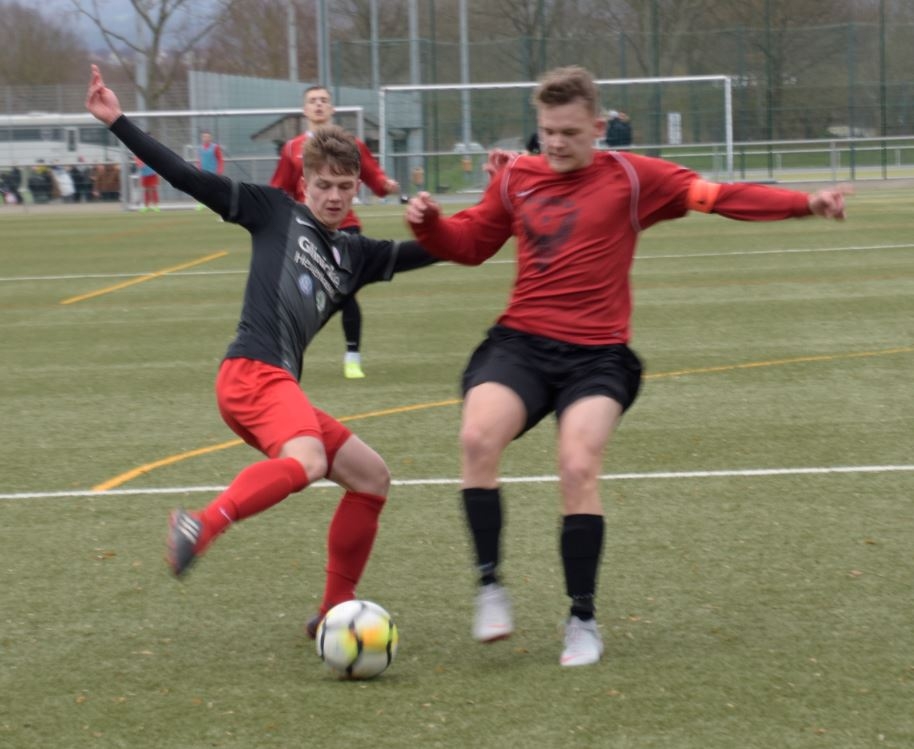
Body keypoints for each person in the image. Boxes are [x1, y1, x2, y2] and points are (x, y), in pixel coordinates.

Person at [405, 65, 849, 667]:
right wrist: (430, 225)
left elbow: (718, 197)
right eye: (547, 131)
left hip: (598, 356)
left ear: (598, 127)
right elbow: (471, 245)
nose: (556, 143)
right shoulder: (515, 177)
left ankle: (582, 620)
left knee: (577, 465)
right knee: (477, 439)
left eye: (569, 132)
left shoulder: (635, 178)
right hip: (521, 344)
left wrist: (804, 204)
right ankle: (490, 585)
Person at [85, 64, 438, 636]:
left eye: (344, 186)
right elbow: (186, 176)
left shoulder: (358, 255)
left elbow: (440, 247)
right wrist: (118, 121)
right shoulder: (273, 210)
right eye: (323, 185)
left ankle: (333, 609)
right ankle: (202, 523)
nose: (333, 196)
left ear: (357, 188)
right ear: (304, 183)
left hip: (275, 383)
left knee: (371, 477)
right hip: (252, 372)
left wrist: (501, 213)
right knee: (309, 462)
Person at [271, 85, 402, 380]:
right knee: (297, 292)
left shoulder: (350, 144)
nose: (318, 105)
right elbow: (279, 189)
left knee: (345, 289)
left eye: (324, 100)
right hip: (306, 229)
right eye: (313, 101)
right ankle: (286, 355)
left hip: (345, 226)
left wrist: (386, 185)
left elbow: (373, 177)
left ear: (331, 109)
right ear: (305, 110)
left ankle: (352, 356)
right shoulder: (292, 149)